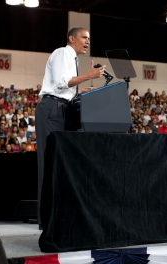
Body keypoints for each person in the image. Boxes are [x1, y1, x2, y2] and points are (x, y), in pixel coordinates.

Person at [35, 26, 105, 229]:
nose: (88, 41)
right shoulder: (62, 52)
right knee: (48, 164)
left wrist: (78, 90)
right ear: (71, 38)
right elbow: (59, 84)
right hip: (51, 109)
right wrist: (87, 75)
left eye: (89, 38)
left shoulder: (71, 58)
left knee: (58, 163)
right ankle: (46, 220)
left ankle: (57, 216)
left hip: (62, 109)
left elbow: (65, 87)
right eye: (84, 37)